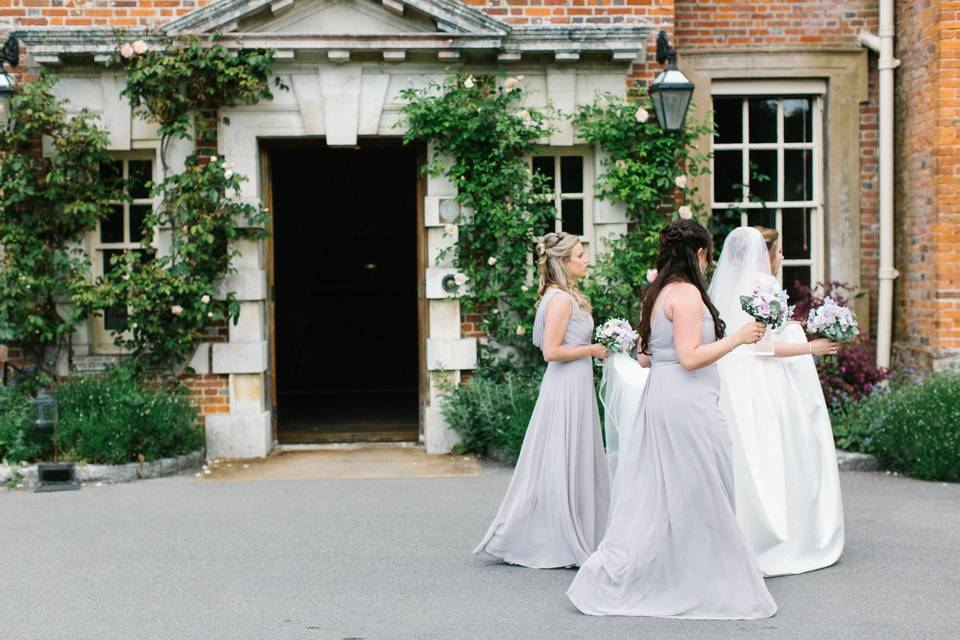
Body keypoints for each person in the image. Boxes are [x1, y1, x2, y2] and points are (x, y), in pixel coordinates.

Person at [568, 219, 777, 619]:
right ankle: (702, 579)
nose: (710, 264)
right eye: (708, 256)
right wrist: (736, 337)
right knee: (705, 487)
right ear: (699, 254)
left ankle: (670, 572)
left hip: (662, 398)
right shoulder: (687, 296)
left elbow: (647, 356)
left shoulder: (657, 293)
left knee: (664, 492)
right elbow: (690, 356)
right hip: (687, 403)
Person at [708, 226, 845, 576]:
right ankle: (784, 536)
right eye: (779, 251)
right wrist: (810, 346)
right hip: (766, 381)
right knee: (780, 453)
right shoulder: (763, 287)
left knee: (749, 456)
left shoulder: (735, 288)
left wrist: (796, 325)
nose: (782, 257)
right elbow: (762, 345)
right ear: (764, 254)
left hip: (738, 381)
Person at [474, 232, 610, 568]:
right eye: (580, 255)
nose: (586, 259)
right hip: (566, 384)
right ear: (564, 261)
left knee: (564, 456)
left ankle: (562, 528)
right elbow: (551, 351)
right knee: (563, 455)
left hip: (573, 382)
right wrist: (592, 349)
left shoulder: (561, 294)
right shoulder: (561, 299)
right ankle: (555, 535)